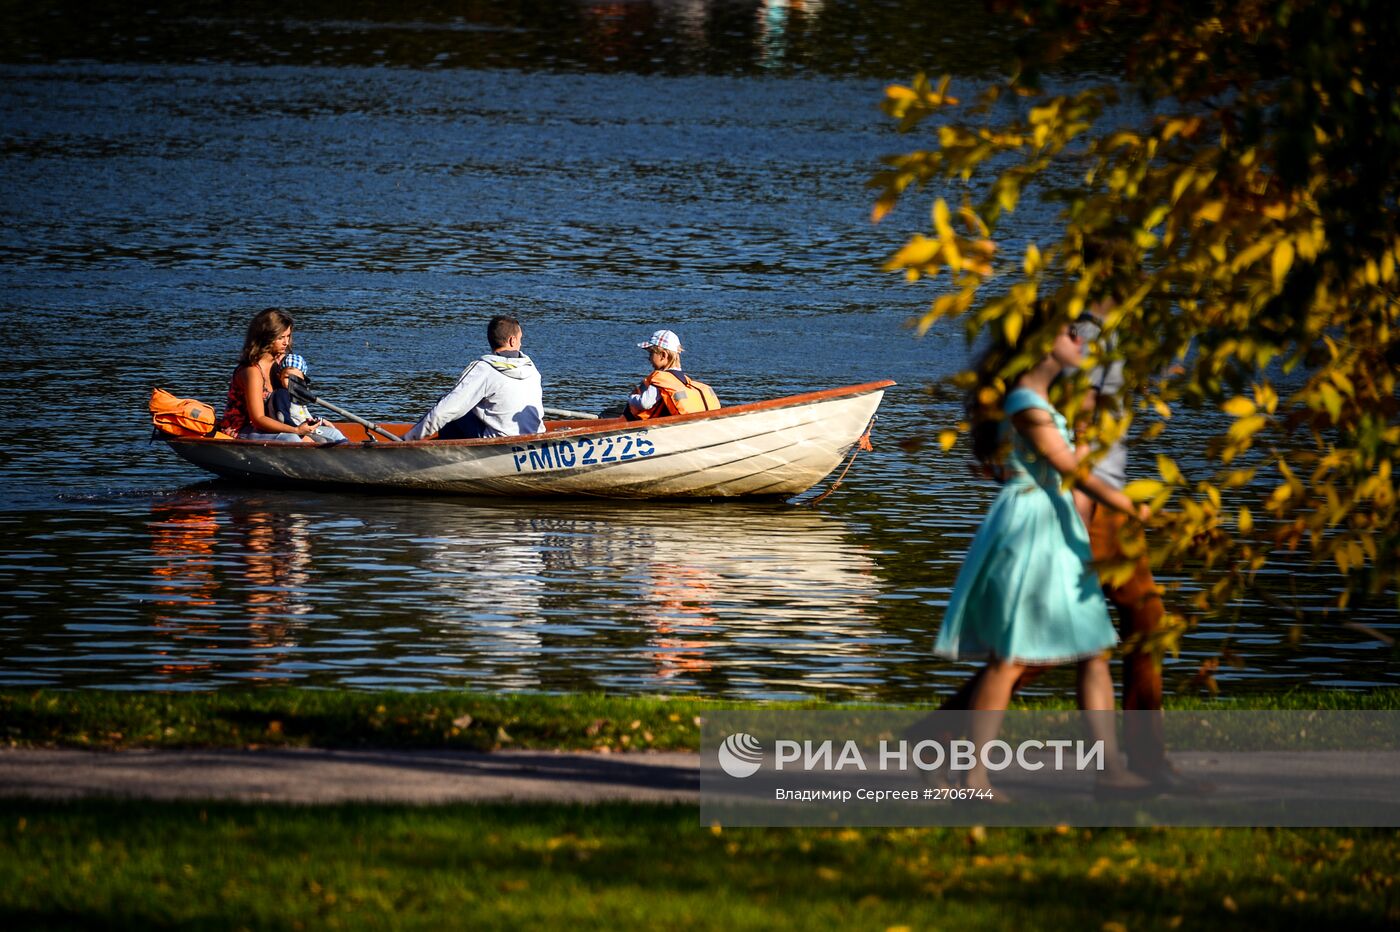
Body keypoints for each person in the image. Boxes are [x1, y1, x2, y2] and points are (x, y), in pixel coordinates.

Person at [931, 304, 1154, 797]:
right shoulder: (1025, 404)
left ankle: (1110, 771)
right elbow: (1072, 469)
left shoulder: (1046, 401)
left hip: (1059, 530)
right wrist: (1131, 507)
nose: (1081, 340)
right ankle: (972, 776)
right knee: (1010, 659)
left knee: (1094, 652)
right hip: (1031, 531)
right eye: (1069, 333)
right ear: (1038, 345)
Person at [403, 315, 543, 441]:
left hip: (497, 442)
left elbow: (443, 412)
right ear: (512, 341)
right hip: (534, 435)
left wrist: (409, 439)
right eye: (520, 339)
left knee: (446, 405)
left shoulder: (483, 369)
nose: (521, 344)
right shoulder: (531, 368)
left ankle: (444, 457)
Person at [218, 308, 319, 442]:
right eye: (280, 338)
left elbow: (297, 405)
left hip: (274, 426)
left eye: (288, 336)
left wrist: (316, 423)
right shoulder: (252, 371)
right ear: (265, 338)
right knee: (292, 438)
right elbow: (258, 419)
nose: (286, 342)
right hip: (241, 429)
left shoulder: (280, 365)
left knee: (332, 434)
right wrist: (296, 430)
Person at [625, 329, 720, 420]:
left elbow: (645, 403)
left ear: (663, 355)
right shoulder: (683, 379)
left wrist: (632, 398)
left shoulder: (660, 379)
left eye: (651, 353)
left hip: (664, 426)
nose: (649, 358)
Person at [269, 354, 348, 444]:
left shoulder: (298, 395)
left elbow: (303, 416)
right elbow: (282, 418)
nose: (291, 382)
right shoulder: (282, 393)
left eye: (295, 379)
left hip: (307, 428)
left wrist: (320, 421)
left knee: (335, 433)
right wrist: (299, 432)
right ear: (280, 376)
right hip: (294, 430)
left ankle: (348, 449)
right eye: (287, 377)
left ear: (302, 379)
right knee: (324, 441)